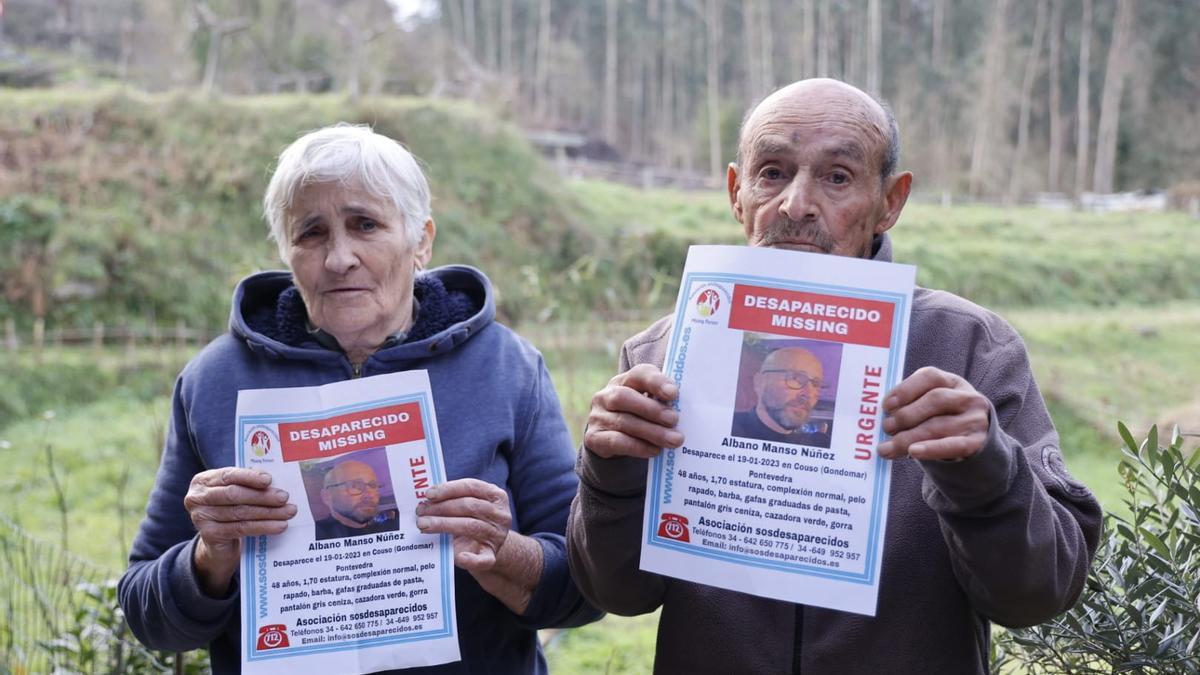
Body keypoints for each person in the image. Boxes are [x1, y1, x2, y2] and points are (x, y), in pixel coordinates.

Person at [567, 78, 1102, 674]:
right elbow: (618, 594)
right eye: (772, 172)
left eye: (838, 177)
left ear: (890, 201)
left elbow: (1037, 595)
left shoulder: (969, 348)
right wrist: (611, 477)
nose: (797, 205)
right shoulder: (661, 354)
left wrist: (987, 471)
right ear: (735, 192)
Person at [119, 124, 600, 674]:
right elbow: (145, 614)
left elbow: (585, 587)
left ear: (421, 240)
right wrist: (209, 560)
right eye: (311, 233)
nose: (338, 257)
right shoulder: (216, 379)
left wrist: (505, 554)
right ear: (287, 251)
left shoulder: (506, 368)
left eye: (365, 224)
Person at [731, 346, 832, 447]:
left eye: (816, 384)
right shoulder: (727, 427)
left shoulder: (813, 448)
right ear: (760, 382)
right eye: (796, 378)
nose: (808, 394)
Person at [314, 459, 397, 541]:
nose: (369, 495)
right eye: (355, 486)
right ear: (327, 496)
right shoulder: (312, 535)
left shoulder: (392, 532)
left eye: (373, 485)